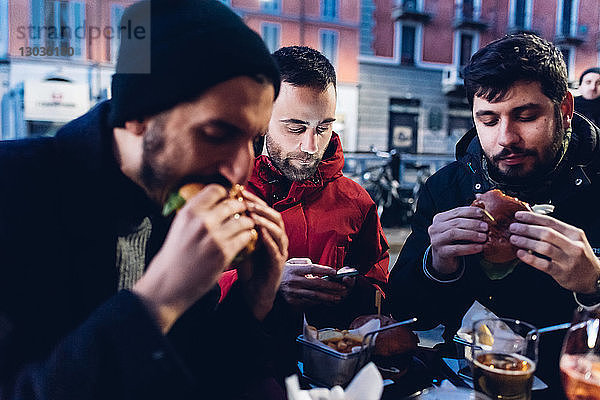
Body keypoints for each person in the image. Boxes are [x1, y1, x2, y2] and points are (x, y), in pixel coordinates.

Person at [0, 1, 289, 399]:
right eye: (217, 133)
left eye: (254, 140)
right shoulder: (14, 190)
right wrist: (156, 304)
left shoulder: (175, 206)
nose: (241, 170)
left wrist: (252, 302)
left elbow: (199, 378)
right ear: (137, 114)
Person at [388, 33, 600, 396]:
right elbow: (409, 312)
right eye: (488, 119)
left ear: (564, 108)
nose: (506, 138)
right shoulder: (447, 188)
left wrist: (593, 285)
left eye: (526, 116)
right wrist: (437, 265)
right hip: (462, 379)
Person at [221, 46, 389, 376]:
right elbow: (189, 293)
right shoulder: (223, 193)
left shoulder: (356, 200)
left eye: (323, 127)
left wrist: (357, 292)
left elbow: (378, 280)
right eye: (296, 128)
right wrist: (267, 284)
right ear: (261, 117)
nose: (311, 147)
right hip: (238, 372)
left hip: (333, 375)